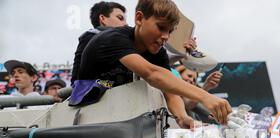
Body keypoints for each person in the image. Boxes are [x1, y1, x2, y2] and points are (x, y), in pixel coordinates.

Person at [75, 0, 231, 128]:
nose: (165, 37)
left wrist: (182, 117)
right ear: (139, 18)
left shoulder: (157, 52)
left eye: (170, 31)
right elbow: (153, 74)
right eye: (161, 27)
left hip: (120, 120)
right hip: (86, 116)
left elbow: (170, 91)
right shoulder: (113, 38)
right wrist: (205, 97)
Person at [71, 2, 128, 85]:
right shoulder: (90, 37)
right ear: (102, 18)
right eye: (120, 18)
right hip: (94, 90)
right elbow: (78, 82)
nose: (126, 24)